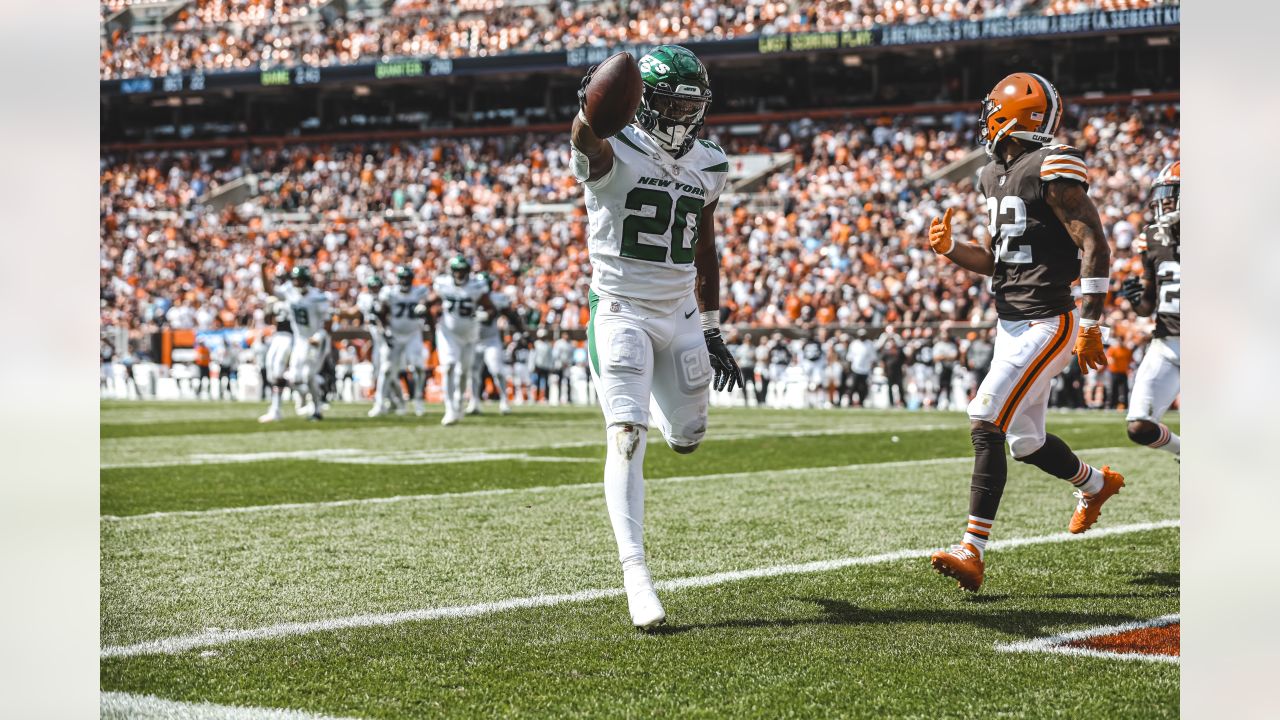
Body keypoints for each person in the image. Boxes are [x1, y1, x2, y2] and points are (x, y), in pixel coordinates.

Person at [924, 73, 1124, 592]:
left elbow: (1094, 244)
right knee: (1026, 442)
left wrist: (1092, 320)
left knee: (984, 417)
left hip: (1049, 320)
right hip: (1009, 320)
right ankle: (1096, 485)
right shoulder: (992, 175)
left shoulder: (1053, 166)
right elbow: (996, 262)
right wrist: (952, 251)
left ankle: (972, 549)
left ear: (1015, 115)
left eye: (993, 108)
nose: (985, 116)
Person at [571, 44, 742, 629]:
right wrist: (590, 112)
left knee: (689, 437)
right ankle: (635, 576)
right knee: (624, 434)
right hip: (620, 309)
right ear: (642, 103)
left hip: (681, 315)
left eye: (692, 106)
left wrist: (714, 324)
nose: (683, 118)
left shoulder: (711, 162)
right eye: (671, 104)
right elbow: (585, 140)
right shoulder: (614, 145)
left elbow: (705, 246)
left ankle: (675, 417)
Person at [1119, 160, 1181, 458]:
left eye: (1173, 191)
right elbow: (1147, 306)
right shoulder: (1153, 238)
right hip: (1167, 343)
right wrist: (1136, 299)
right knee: (1139, 426)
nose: (1165, 199)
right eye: (1162, 192)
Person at [428, 255, 497, 426]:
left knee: (464, 371)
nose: (459, 274)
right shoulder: (443, 284)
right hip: (447, 333)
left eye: (462, 270)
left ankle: (459, 399)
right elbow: (431, 300)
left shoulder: (476, 286)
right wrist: (424, 307)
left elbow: (491, 308)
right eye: (456, 271)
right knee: (449, 366)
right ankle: (449, 408)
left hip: (470, 335)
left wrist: (486, 314)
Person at [261, 264, 332, 422]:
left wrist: (319, 336)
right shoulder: (289, 291)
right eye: (295, 279)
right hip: (300, 340)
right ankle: (317, 399)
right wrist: (263, 271)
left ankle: (317, 409)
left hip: (316, 339)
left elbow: (327, 322)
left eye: (300, 280)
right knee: (295, 377)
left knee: (308, 375)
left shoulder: (317, 297)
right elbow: (270, 291)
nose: (297, 283)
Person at [377, 265, 431, 417]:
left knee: (419, 367)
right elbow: (381, 312)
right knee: (386, 369)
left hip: (413, 334)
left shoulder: (419, 291)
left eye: (407, 278)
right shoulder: (390, 292)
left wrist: (423, 306)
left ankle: (418, 399)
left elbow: (426, 302)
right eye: (403, 278)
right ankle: (379, 402)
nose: (405, 281)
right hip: (394, 334)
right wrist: (385, 331)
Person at [469, 272, 523, 415]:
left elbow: (511, 315)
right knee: (473, 373)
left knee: (497, 370)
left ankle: (504, 400)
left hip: (491, 340)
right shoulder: (470, 297)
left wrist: (521, 331)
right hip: (473, 341)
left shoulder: (497, 299)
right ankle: (474, 401)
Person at [258, 289, 295, 422]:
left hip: (290, 336)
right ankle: (275, 407)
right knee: (270, 370)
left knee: (279, 371)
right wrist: (268, 309)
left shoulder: (296, 300)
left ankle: (276, 408)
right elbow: (269, 320)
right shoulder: (277, 303)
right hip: (278, 336)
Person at [846, 328, 875, 407]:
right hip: (855, 369)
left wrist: (871, 370)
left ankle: (862, 402)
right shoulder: (854, 344)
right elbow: (850, 358)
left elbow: (872, 358)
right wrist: (849, 370)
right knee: (852, 387)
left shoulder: (869, 344)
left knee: (863, 388)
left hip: (865, 370)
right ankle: (850, 402)